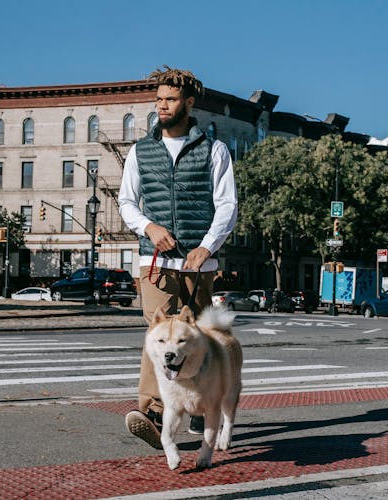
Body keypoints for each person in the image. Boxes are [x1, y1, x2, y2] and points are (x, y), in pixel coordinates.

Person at [117, 66, 238, 449]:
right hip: (154, 262)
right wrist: (149, 228)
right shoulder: (141, 150)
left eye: (170, 100)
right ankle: (153, 412)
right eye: (158, 100)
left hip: (198, 263)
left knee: (194, 340)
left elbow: (227, 205)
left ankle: (196, 406)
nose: (162, 106)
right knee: (157, 337)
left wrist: (207, 246)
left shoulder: (214, 150)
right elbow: (125, 202)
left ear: (188, 103)